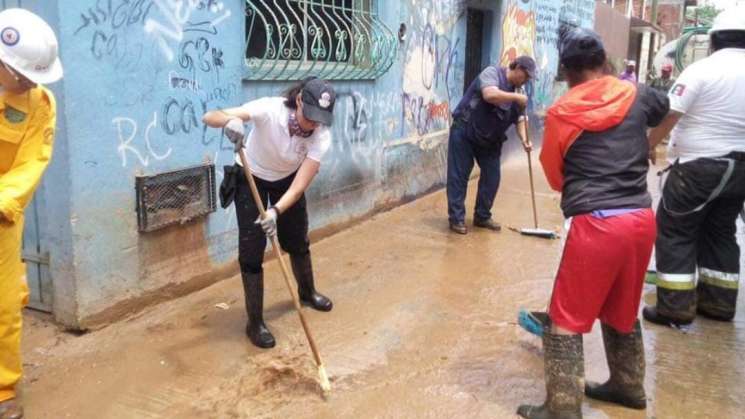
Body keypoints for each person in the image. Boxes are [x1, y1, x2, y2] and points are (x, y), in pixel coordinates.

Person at [517, 27, 668, 419]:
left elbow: (553, 173)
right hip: (640, 219)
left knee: (565, 317)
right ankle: (628, 386)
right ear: (605, 63)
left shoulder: (562, 112)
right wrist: (644, 146)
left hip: (597, 224)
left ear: (566, 73)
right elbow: (664, 105)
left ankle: (562, 408)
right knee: (621, 308)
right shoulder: (635, 94)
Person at [202, 78, 335, 349]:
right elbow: (209, 116)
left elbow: (299, 186)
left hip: (287, 182)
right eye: (309, 116)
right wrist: (229, 121)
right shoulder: (269, 110)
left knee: (297, 240)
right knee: (251, 250)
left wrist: (275, 211)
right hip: (251, 176)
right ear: (299, 100)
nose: (312, 124)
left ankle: (307, 292)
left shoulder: (321, 135)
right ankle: (255, 322)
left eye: (319, 119)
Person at [643, 6, 745, 327]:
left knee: (675, 231)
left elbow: (670, 114)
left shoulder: (702, 70)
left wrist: (645, 147)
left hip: (698, 167)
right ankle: (718, 303)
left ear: (714, 40)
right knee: (721, 231)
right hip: (740, 169)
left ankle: (675, 306)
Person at [0, 8, 63, 419]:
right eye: (21, 74)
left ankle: (3, 386)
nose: (28, 82)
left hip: (2, 214)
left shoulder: (40, 101)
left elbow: (32, 161)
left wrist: (3, 202)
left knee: (3, 307)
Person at [446, 56, 535, 234]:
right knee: (459, 176)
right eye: (525, 75)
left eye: (529, 78)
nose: (526, 80)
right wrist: (516, 97)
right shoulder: (492, 73)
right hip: (465, 130)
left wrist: (525, 139)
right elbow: (490, 95)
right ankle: (456, 219)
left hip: (490, 139)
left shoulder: (519, 93)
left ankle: (482, 216)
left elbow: (520, 120)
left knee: (492, 177)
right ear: (516, 67)